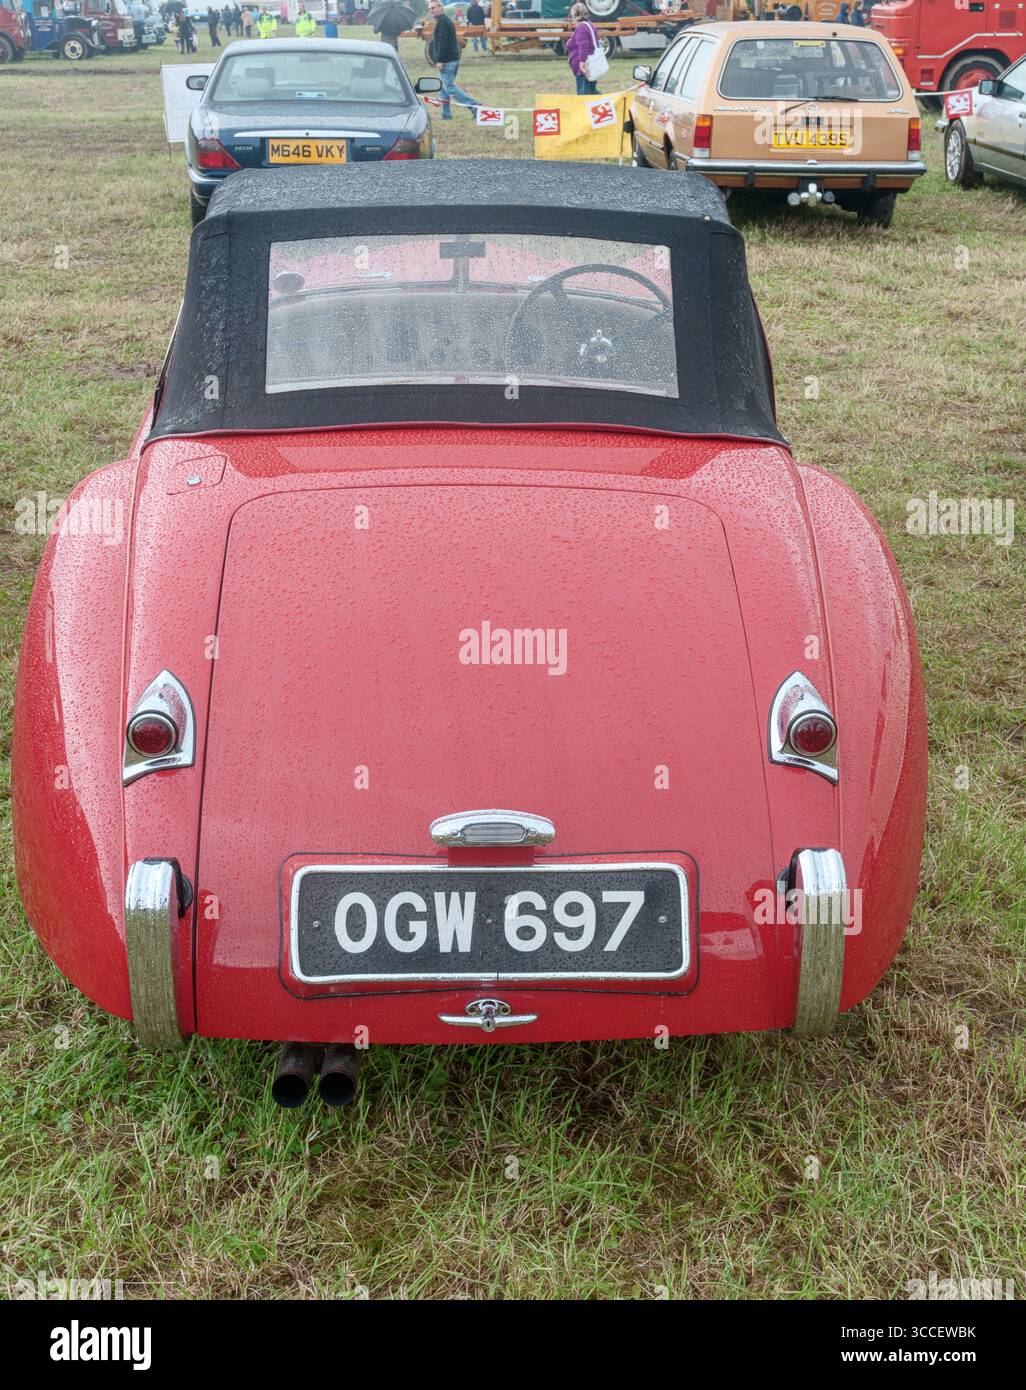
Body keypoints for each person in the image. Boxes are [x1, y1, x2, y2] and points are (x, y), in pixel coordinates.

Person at [427, 0, 478, 119]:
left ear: (440, 8)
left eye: (433, 8)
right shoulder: (442, 21)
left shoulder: (443, 22)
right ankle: (446, 114)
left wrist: (440, 60)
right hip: (451, 59)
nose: (431, 11)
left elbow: (443, 44)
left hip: (448, 61)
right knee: (444, 89)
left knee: (448, 87)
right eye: (430, 9)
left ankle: (474, 105)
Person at [565, 3, 599, 96]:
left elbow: (583, 46)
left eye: (572, 14)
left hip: (584, 66)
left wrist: (582, 65)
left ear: (576, 14)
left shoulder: (581, 28)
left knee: (583, 94)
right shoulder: (590, 25)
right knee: (592, 91)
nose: (571, 16)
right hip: (591, 64)